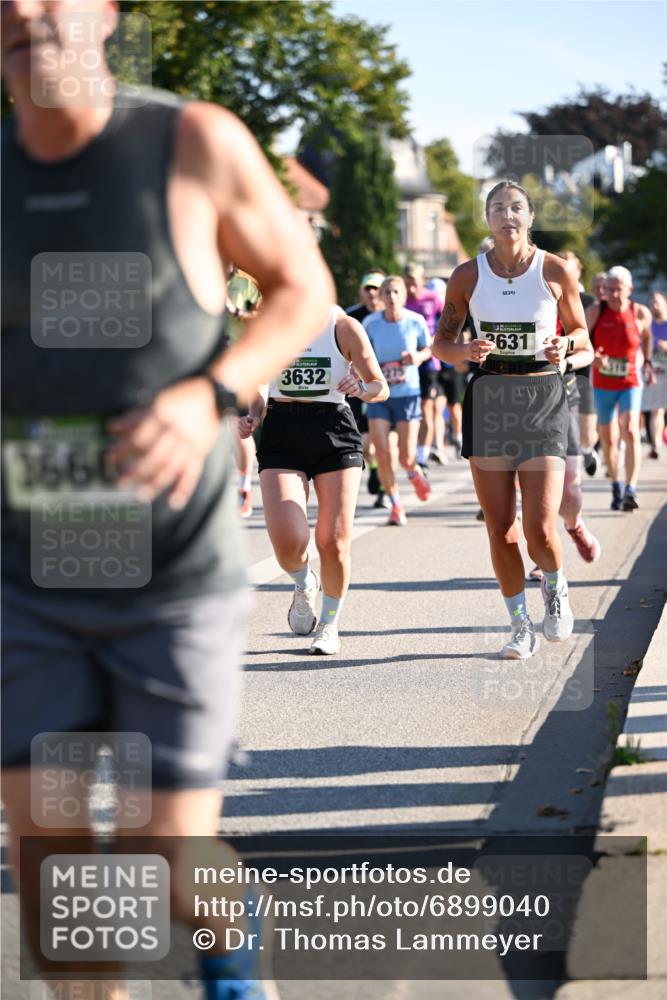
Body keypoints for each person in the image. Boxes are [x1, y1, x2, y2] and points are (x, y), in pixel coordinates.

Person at [1, 3, 335, 999]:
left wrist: (208, 395)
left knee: (165, 844)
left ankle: (231, 952)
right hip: (26, 580)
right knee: (55, 850)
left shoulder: (189, 143)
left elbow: (300, 288)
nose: (27, 10)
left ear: (104, 14)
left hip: (170, 579)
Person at [434, 180, 593, 659]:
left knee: (540, 529)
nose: (508, 215)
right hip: (490, 400)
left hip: (543, 394)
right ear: (487, 218)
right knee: (500, 527)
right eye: (499, 208)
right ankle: (520, 624)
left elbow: (585, 340)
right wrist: (464, 350)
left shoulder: (556, 270)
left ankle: (556, 586)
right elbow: (441, 346)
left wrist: (565, 349)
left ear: (529, 216)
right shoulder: (466, 275)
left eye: (517, 208)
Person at [241, 306, 388, 655]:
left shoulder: (343, 328)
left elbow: (379, 386)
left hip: (334, 430)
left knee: (333, 541)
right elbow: (260, 381)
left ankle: (329, 624)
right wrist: (252, 413)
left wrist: (362, 387)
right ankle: (304, 582)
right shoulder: (270, 322)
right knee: (289, 542)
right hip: (282, 431)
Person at [364, 276, 433, 525]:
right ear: (380, 297)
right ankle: (395, 505)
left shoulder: (415, 321)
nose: (391, 297)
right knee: (381, 454)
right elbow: (359, 355)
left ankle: (414, 473)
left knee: (405, 456)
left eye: (395, 292)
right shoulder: (370, 324)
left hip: (407, 394)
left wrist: (417, 357)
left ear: (403, 296)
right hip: (379, 395)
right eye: (387, 292)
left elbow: (429, 348)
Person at [586, 267, 655, 510]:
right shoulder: (596, 311)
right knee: (610, 438)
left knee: (630, 430)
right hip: (603, 383)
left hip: (630, 381)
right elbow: (581, 340)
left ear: (630, 290)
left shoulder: (639, 312)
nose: (613, 294)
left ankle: (631, 488)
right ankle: (615, 483)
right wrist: (593, 356)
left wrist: (646, 361)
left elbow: (647, 337)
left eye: (618, 289)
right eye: (609, 289)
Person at [345, 269, 389, 507]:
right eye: (368, 289)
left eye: (376, 289)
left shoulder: (393, 316)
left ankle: (383, 487)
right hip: (356, 385)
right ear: (362, 293)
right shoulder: (351, 317)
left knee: (383, 440)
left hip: (387, 386)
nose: (372, 294)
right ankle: (373, 467)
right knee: (364, 440)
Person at [226, 266, 263, 518]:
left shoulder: (248, 283)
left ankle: (244, 487)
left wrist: (236, 310)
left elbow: (265, 316)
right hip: (207, 360)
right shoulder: (199, 272)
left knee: (239, 426)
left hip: (241, 358)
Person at [403, 262, 447, 467]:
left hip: (429, 360)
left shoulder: (434, 299)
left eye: (415, 284)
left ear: (422, 282)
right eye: (407, 283)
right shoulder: (400, 300)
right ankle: (411, 451)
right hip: (405, 361)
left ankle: (422, 456)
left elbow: (449, 322)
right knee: (410, 410)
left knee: (426, 408)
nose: (411, 289)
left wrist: (440, 342)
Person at [558, 252, 598, 476]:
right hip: (560, 368)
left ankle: (587, 449)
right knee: (567, 424)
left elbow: (593, 336)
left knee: (587, 429)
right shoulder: (551, 297)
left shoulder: (589, 301)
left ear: (578, 271)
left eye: (569, 268)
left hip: (583, 366)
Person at [642, 290, 667, 459]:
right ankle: (656, 444)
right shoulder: (648, 325)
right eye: (652, 302)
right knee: (656, 410)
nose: (654, 305)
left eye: (657, 302)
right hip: (655, 373)